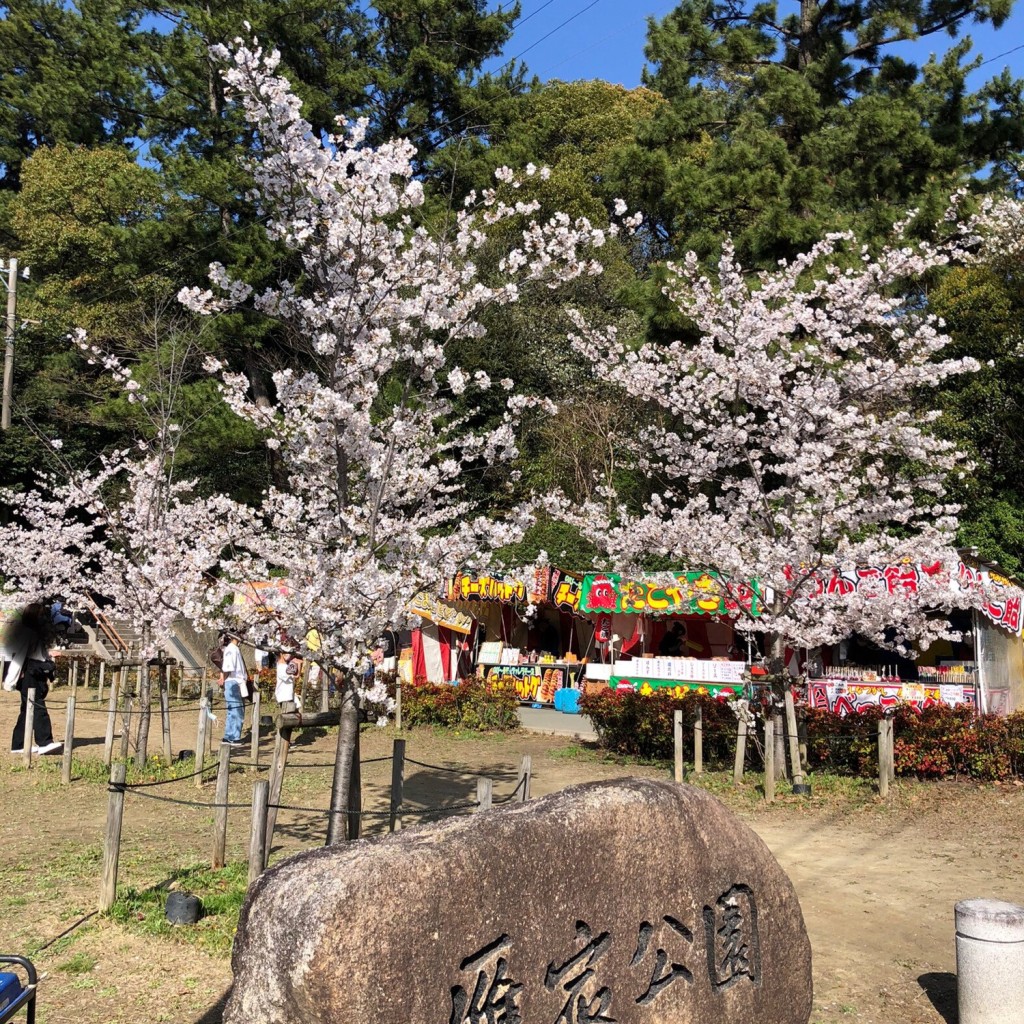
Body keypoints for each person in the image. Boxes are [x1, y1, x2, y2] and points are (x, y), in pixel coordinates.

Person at [3, 604, 62, 755]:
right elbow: (19, 657)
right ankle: (44, 742)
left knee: (27, 710)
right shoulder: (28, 633)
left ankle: (19, 745)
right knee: (37, 707)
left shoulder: (34, 633)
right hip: (30, 675)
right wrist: (10, 682)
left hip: (36, 673)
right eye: (41, 615)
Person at [218, 631, 248, 746]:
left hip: (235, 681)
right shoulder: (231, 649)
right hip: (233, 682)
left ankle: (229, 736)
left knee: (233, 710)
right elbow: (228, 668)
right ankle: (233, 737)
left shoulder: (234, 649)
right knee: (236, 710)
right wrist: (224, 679)